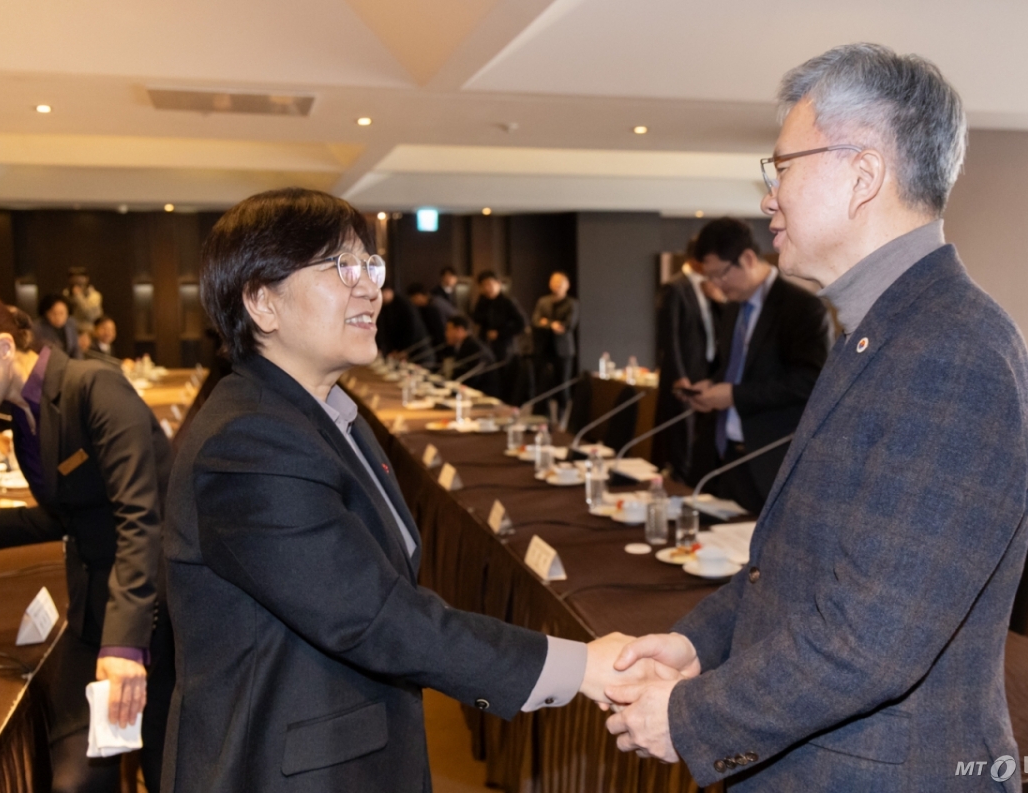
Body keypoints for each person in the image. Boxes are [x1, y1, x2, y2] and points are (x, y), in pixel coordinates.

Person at [605, 44, 1028, 792]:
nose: (768, 198)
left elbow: (871, 637)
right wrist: (695, 645)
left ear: (864, 174)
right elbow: (795, 568)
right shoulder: (880, 331)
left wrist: (688, 716)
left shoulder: (954, 349)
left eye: (783, 167)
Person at [162, 188, 670, 792]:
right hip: (284, 770)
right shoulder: (250, 442)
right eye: (340, 267)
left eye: (370, 266)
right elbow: (372, 615)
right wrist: (578, 665)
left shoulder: (321, 416)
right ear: (261, 302)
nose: (369, 287)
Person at [0, 288, 174, 793]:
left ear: (2, 349)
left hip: (159, 611)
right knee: (74, 781)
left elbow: (140, 518)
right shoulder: (22, 417)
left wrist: (125, 645)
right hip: (93, 605)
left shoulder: (93, 387)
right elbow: (70, 516)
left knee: (169, 770)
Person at [681, 218, 829, 513]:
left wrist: (734, 395)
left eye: (720, 275)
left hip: (771, 459)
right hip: (725, 456)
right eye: (709, 279)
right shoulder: (734, 307)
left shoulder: (801, 308)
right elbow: (735, 368)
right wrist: (710, 387)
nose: (716, 286)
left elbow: (811, 382)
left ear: (747, 259)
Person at [654, 241, 724, 484]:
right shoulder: (674, 287)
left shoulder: (711, 287)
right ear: (696, 259)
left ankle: (697, 487)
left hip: (707, 373)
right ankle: (680, 490)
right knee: (681, 442)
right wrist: (678, 375)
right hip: (683, 376)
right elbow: (669, 336)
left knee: (703, 441)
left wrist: (720, 299)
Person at [471, 271, 527, 402]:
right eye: (483, 285)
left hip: (504, 349)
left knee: (504, 382)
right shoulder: (482, 301)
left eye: (490, 284)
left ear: (498, 284)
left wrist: (500, 332)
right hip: (486, 347)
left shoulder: (508, 301)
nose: (487, 288)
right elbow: (476, 318)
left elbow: (522, 324)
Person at [531, 272, 579, 413]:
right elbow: (535, 321)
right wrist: (552, 325)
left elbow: (568, 326)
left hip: (563, 351)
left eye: (560, 283)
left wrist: (546, 322)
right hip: (544, 349)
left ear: (567, 285)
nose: (556, 285)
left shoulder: (572, 303)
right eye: (554, 282)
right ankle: (541, 417)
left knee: (562, 385)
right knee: (542, 384)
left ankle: (562, 418)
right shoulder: (543, 301)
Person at [375, 286, 435, 367]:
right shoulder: (384, 306)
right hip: (399, 352)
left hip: (417, 350)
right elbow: (382, 330)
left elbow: (413, 329)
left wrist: (404, 350)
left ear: (388, 291)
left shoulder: (404, 304)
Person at [443, 315, 498, 396]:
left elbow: (471, 379)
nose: (446, 334)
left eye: (448, 330)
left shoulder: (472, 347)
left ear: (459, 330)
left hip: (484, 397)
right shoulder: (466, 344)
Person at [32, 293, 83, 359]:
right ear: (46, 313)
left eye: (62, 313)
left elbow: (75, 349)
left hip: (70, 365)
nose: (58, 318)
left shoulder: (71, 323)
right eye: (53, 313)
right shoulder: (37, 328)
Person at [407, 282, 454, 349]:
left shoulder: (436, 305)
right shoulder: (428, 306)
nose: (412, 302)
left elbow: (441, 329)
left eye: (413, 299)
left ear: (419, 296)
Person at [65, 267, 104, 334]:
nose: (77, 281)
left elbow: (91, 315)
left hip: (88, 331)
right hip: (70, 330)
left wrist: (78, 296)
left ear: (86, 279)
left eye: (80, 279)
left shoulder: (94, 295)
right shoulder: (66, 293)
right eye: (74, 279)